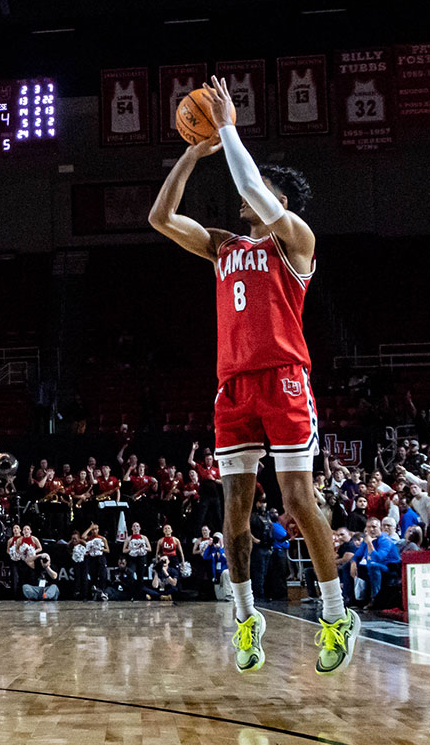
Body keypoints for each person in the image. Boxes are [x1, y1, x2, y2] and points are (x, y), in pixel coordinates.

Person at [148, 77, 358, 674]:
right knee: (233, 511)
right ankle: (245, 617)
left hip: (285, 379)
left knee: (296, 498)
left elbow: (251, 187)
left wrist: (229, 125)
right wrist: (193, 152)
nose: (247, 194)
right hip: (233, 387)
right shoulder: (223, 247)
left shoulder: (295, 242)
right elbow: (160, 217)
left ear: (279, 201)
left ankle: (336, 613)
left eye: (261, 190)